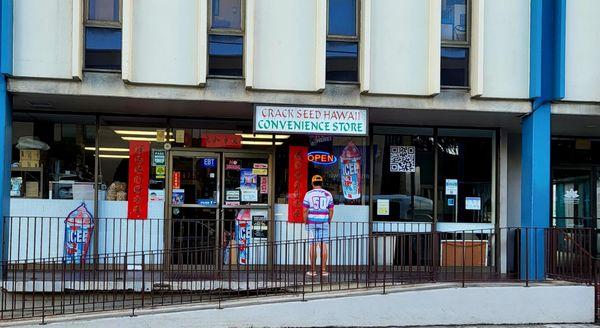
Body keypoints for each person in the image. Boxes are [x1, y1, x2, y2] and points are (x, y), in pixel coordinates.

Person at [302, 175, 334, 277]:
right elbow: (331, 210)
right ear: (322, 183)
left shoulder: (308, 194)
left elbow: (305, 210)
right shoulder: (328, 194)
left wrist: (305, 220)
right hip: (324, 222)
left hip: (311, 222)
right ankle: (324, 270)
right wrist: (328, 220)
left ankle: (312, 270)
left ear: (312, 183)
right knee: (323, 245)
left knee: (312, 245)